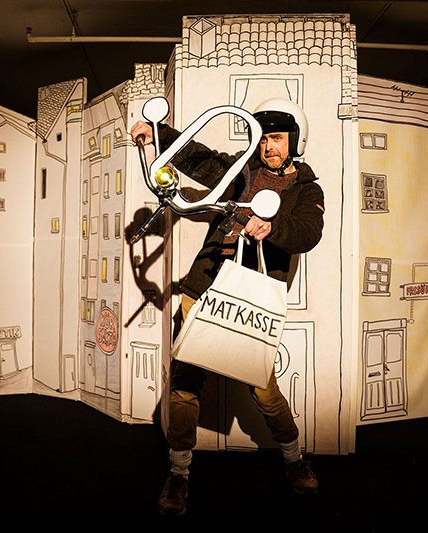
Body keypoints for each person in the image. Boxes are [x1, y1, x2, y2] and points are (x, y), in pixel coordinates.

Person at [130, 98, 325, 516]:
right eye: (263, 138)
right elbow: (201, 159)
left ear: (295, 140)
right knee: (185, 383)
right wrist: (157, 134)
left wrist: (272, 226)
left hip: (251, 295)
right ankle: (179, 472)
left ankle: (294, 459)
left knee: (263, 388)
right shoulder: (244, 169)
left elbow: (308, 232)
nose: (268, 146)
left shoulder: (307, 189)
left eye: (277, 138)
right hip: (203, 286)